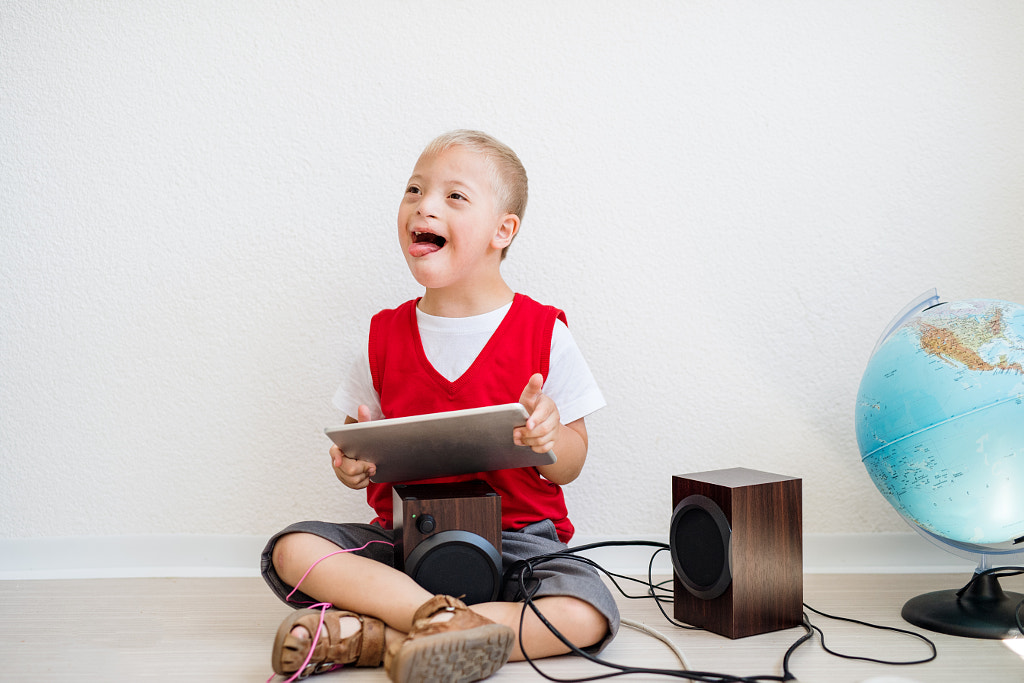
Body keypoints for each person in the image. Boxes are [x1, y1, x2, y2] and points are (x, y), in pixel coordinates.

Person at [261, 130, 619, 683]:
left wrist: (550, 438)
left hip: (517, 544)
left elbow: (573, 461)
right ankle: (431, 620)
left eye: (454, 196)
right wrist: (352, 469)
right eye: (414, 190)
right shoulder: (382, 336)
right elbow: (360, 449)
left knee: (587, 609)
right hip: (405, 544)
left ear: (504, 230)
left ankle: (375, 637)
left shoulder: (544, 332)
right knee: (292, 548)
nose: (423, 205)